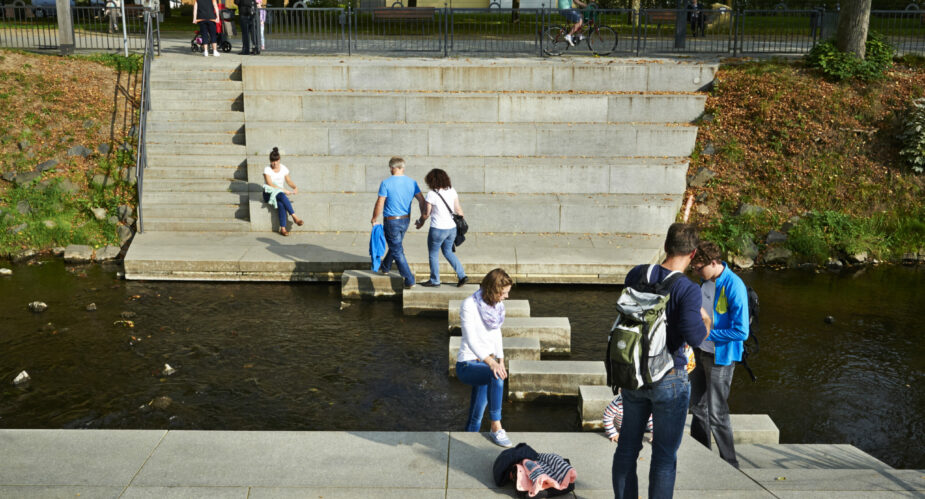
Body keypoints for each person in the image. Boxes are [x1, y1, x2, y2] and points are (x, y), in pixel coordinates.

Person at [612, 223, 709, 499]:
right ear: (692, 255)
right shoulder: (687, 289)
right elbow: (695, 337)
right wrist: (707, 320)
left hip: (633, 373)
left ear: (666, 246)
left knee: (627, 450)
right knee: (664, 457)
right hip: (669, 378)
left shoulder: (636, 273)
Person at [689, 240, 749, 468]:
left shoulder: (735, 286)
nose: (695, 271)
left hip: (721, 359)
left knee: (717, 414)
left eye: (699, 267)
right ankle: (702, 456)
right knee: (697, 408)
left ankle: (730, 465)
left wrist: (707, 334)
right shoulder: (704, 282)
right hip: (700, 354)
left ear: (714, 263)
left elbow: (741, 330)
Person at [456, 268, 514, 448]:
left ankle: (465, 444)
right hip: (468, 364)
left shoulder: (497, 306)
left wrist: (501, 360)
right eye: (504, 293)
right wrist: (492, 364)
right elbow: (471, 339)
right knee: (495, 376)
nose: (506, 297)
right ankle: (496, 426)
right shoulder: (469, 305)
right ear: (493, 290)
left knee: (476, 415)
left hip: (488, 363)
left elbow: (497, 334)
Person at [370, 157, 426, 289]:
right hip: (405, 220)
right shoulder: (412, 182)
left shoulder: (386, 183)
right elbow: (421, 200)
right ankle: (385, 266)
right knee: (396, 246)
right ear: (403, 167)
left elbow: (380, 202)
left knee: (398, 250)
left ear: (392, 168)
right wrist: (422, 218)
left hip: (391, 221)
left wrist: (374, 218)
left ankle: (409, 279)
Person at [416, 168, 468, 288]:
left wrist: (420, 222)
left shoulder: (431, 194)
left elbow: (426, 213)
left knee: (433, 254)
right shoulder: (452, 190)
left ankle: (435, 280)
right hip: (451, 229)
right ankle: (462, 275)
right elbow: (459, 211)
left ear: (431, 181)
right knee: (448, 251)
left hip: (437, 229)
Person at [263, 147, 304, 236]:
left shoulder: (284, 168)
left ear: (279, 160)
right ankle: (294, 217)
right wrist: (283, 190)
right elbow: (270, 184)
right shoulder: (267, 169)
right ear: (270, 161)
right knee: (281, 195)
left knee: (281, 204)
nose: (275, 163)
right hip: (268, 193)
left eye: (276, 161)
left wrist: (295, 187)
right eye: (273, 161)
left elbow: (288, 181)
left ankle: (283, 228)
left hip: (279, 193)